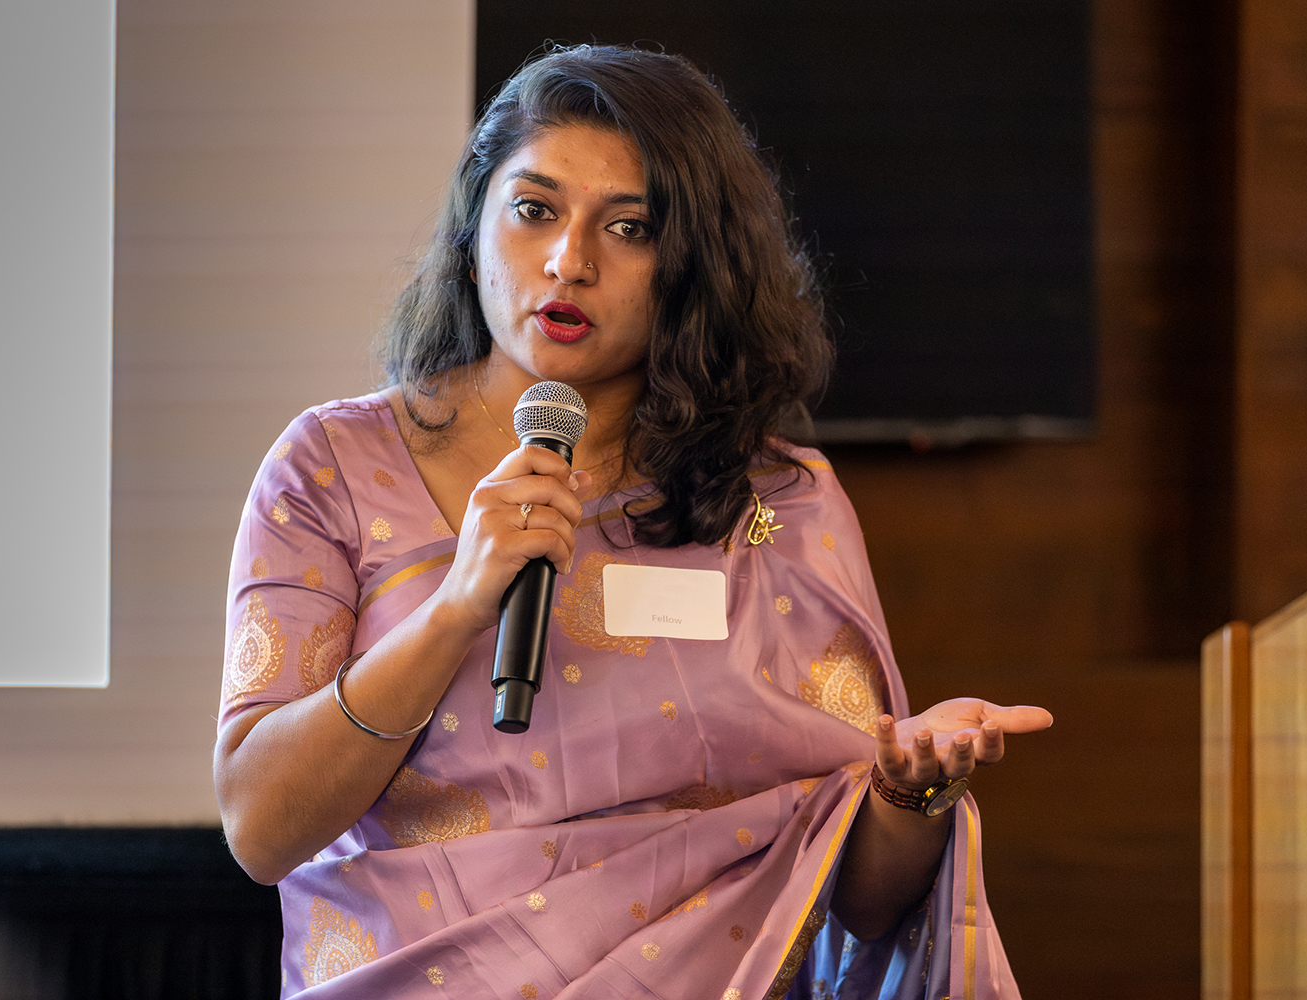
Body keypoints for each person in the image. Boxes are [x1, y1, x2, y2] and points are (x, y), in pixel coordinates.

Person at [213, 45, 1051, 1000]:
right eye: (535, 210)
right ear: (473, 226)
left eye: (631, 228)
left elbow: (850, 899)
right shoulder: (331, 467)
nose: (571, 261)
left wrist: (912, 790)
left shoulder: (776, 502)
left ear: (690, 266)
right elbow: (263, 827)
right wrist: (455, 604)